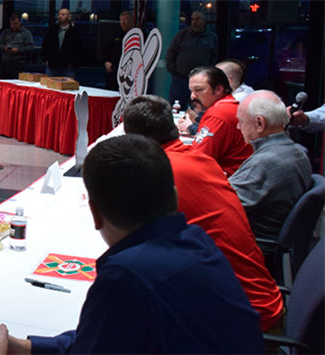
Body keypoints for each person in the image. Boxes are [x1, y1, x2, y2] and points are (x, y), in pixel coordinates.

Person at [0, 135, 265, 354]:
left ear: (95, 213)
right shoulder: (197, 241)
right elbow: (106, 341)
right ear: (174, 196)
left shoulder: (128, 276)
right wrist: (26, 348)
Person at [121, 95, 284, 331]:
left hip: (242, 323)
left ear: (135, 141)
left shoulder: (160, 172)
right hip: (258, 300)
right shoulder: (201, 160)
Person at [230, 90, 313, 243]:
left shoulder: (264, 162)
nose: (237, 127)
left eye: (241, 122)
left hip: (251, 244)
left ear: (259, 123)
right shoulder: (297, 152)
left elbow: (224, 205)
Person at [176, 66, 251, 176]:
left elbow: (198, 159)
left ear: (218, 90)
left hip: (229, 182)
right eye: (191, 91)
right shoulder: (229, 105)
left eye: (199, 90)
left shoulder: (218, 114)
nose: (193, 96)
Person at [166, 10, 217, 108]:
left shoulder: (211, 37)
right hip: (180, 78)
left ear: (204, 21)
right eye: (193, 19)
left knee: (197, 106)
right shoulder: (183, 34)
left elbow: (213, 57)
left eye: (197, 19)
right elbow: (171, 52)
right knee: (176, 106)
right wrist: (173, 71)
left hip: (200, 80)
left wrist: (208, 74)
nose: (194, 22)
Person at [41, 8, 82, 78]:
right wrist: (45, 60)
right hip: (52, 66)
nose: (60, 16)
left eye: (63, 14)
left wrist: (73, 63)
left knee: (68, 88)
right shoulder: (52, 30)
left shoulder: (74, 32)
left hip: (68, 67)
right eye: (59, 14)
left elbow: (79, 49)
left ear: (69, 17)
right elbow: (45, 45)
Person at [101, 11, 133, 90]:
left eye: (125, 20)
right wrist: (106, 61)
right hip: (114, 70)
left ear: (131, 21)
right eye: (121, 21)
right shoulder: (115, 35)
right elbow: (105, 50)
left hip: (130, 71)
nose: (123, 23)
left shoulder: (137, 35)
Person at [0, 15, 33, 79]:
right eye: (12, 24)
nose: (13, 26)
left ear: (20, 22)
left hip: (19, 63)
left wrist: (18, 50)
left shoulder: (26, 33)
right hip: (6, 62)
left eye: (15, 24)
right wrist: (4, 48)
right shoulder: (6, 32)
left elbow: (30, 47)